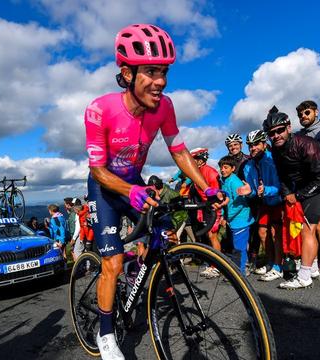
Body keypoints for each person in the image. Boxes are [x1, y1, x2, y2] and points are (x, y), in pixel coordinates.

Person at [84, 23, 220, 359]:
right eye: (150, 71)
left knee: (164, 235)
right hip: (105, 187)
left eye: (163, 71)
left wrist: (207, 188)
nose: (160, 80)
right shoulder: (100, 109)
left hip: (135, 182)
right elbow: (97, 170)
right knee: (111, 263)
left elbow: (178, 150)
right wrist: (128, 190)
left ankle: (137, 272)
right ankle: (105, 334)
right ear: (127, 73)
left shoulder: (165, 107)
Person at [263, 106, 320, 289]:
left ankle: (304, 276)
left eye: (279, 131)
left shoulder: (306, 143)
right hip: (303, 186)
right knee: (308, 227)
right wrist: (287, 194)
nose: (276, 135)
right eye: (271, 133)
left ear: (288, 128)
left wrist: (299, 195)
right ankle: (314, 268)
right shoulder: (277, 150)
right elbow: (283, 176)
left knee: (307, 229)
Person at [237, 130, 283, 281]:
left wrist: (266, 190)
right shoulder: (248, 166)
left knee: (275, 233)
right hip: (263, 202)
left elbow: (281, 185)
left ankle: (278, 266)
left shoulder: (273, 160)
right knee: (262, 233)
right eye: (250, 145)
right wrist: (249, 192)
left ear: (264, 144)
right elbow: (253, 190)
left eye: (256, 144)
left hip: (278, 201)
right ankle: (270, 262)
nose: (253, 148)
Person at [295, 100, 320, 273]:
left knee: (317, 224)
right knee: (318, 223)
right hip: (309, 182)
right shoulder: (301, 134)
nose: (303, 116)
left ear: (316, 112)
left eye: (307, 112)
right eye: (300, 115)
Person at [190, 147, 224, 278]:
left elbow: (217, 193)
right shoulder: (197, 172)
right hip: (205, 207)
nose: (192, 162)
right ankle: (213, 263)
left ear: (201, 160)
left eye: (194, 159)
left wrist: (219, 212)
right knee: (208, 236)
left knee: (213, 236)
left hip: (214, 206)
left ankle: (217, 266)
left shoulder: (210, 171)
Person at [219, 155, 254, 276]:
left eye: (226, 167)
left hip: (241, 219)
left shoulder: (234, 182)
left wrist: (227, 217)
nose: (222, 170)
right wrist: (223, 215)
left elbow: (239, 204)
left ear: (233, 168)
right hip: (234, 220)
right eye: (221, 167)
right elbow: (226, 201)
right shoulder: (224, 180)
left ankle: (241, 273)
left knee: (239, 247)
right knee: (237, 246)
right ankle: (239, 270)